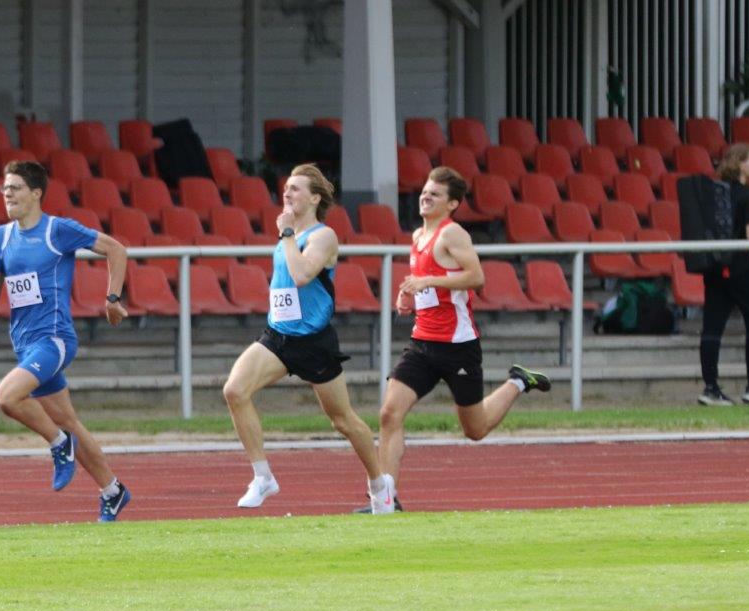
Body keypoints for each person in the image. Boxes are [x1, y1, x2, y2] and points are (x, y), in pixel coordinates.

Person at [354, 166, 551, 513]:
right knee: (389, 414)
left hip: (458, 347)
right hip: (421, 343)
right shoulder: (418, 236)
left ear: (452, 204)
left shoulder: (453, 234)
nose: (425, 197)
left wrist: (429, 282)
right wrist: (408, 294)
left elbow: (476, 277)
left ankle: (518, 381)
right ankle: (385, 500)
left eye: (435, 194)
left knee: (475, 429)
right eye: (425, 191)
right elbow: (425, 280)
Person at [222, 163, 396, 514]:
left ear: (315, 198)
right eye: (286, 187)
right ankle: (263, 477)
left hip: (313, 341)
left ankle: (380, 484)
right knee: (234, 391)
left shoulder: (323, 236)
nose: (287, 193)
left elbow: (302, 275)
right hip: (278, 336)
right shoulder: (286, 236)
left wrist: (287, 234)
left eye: (296, 188)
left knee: (342, 420)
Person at [0, 160, 133, 522]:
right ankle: (113, 491)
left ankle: (59, 444)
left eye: (15, 187)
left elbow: (116, 249)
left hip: (54, 339)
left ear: (36, 193)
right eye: (4, 188)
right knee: (70, 422)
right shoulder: (1, 237)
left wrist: (112, 299)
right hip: (25, 344)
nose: (7, 194)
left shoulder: (57, 230)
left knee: (6, 397)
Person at [696, 144, 749, 406]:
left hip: (714, 268)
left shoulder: (713, 194)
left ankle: (710, 387)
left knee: (712, 327)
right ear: (740, 164)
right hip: (740, 268)